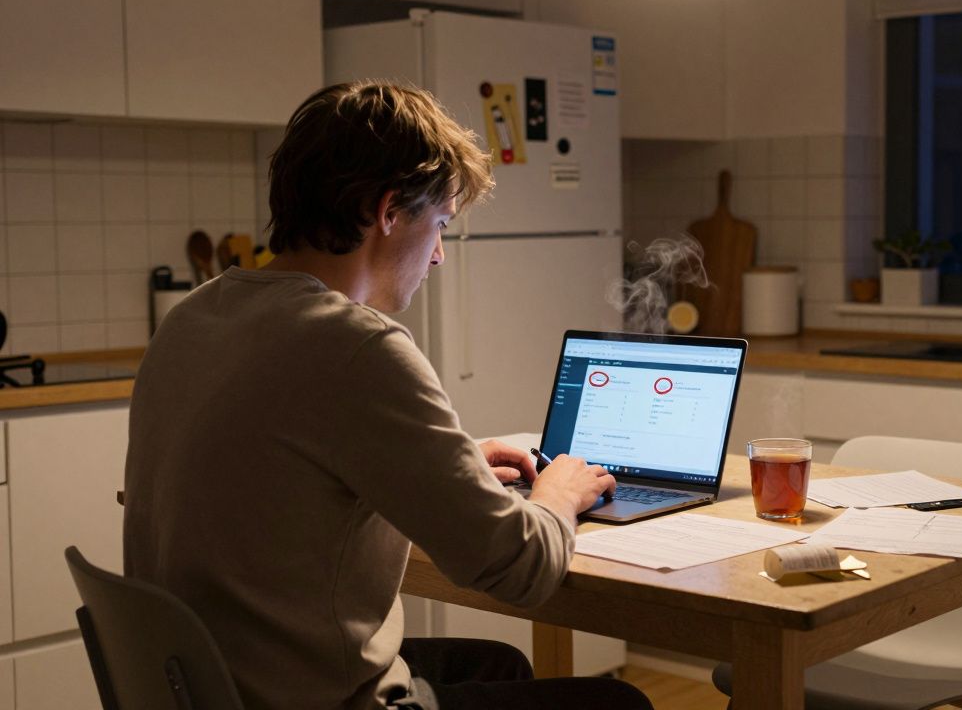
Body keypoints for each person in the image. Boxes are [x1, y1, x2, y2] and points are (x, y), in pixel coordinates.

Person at [122, 80, 652, 710]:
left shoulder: (192, 317)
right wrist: (558, 493)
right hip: (306, 697)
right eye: (442, 225)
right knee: (622, 704)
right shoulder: (355, 346)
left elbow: (271, 478)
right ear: (390, 210)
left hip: (208, 682)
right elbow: (520, 568)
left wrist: (433, 472)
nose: (438, 258)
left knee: (500, 664)